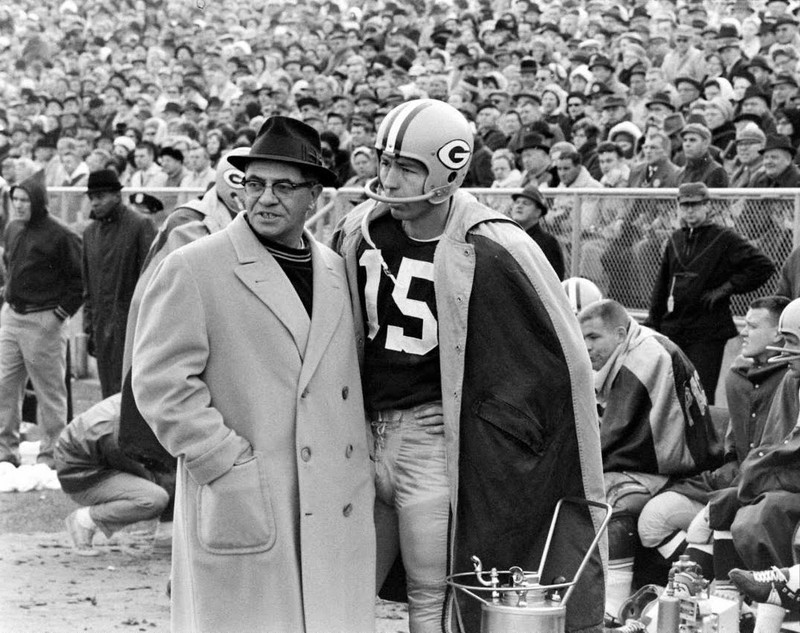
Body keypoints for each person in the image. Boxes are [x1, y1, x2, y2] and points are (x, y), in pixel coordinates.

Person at [332, 98, 606, 633]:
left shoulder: (495, 245)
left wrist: (484, 428)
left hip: (431, 444)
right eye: (386, 162)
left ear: (448, 170)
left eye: (407, 167)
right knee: (340, 587)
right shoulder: (359, 229)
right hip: (359, 436)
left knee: (433, 598)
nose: (388, 179)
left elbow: (548, 363)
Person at [131, 117, 375, 633]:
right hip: (247, 489)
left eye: (284, 186)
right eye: (254, 183)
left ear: (315, 196)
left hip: (328, 498)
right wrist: (225, 463)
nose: (265, 198)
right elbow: (160, 383)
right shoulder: (195, 265)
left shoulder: (335, 268)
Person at [578, 299, 718, 620]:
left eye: (594, 337)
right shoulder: (636, 345)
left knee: (610, 497)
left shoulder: (642, 357)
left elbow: (612, 439)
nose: (586, 346)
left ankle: (613, 607)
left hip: (687, 470)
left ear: (619, 331)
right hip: (665, 462)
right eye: (582, 337)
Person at [637, 296, 791, 577]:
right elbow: (732, 445)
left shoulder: (790, 380)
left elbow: (779, 454)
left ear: (780, 333)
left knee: (722, 524)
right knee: (652, 519)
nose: (744, 332)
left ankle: (707, 594)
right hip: (730, 480)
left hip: (766, 487)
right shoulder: (737, 376)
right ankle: (693, 587)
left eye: (754, 326)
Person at [647, 182, 775, 403]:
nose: (690, 210)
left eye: (695, 205)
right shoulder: (675, 238)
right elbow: (662, 283)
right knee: (670, 392)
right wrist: (653, 321)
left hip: (707, 328)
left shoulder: (724, 238)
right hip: (675, 325)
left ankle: (705, 438)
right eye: (685, 205)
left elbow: (762, 266)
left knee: (701, 393)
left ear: (707, 206)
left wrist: (727, 288)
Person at [0, 172, 83, 469]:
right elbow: (11, 266)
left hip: (44, 319)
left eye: (25, 199)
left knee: (50, 393)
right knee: (4, 386)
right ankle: (5, 450)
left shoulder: (62, 235)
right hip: (12, 316)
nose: (19, 205)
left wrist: (57, 316)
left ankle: (52, 453)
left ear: (39, 201)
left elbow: (80, 283)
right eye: (15, 199)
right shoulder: (12, 228)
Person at [57, 394, 171, 557]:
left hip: (86, 456)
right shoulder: (125, 427)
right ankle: (84, 521)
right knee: (153, 499)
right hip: (79, 472)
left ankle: (168, 529)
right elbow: (157, 473)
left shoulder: (144, 399)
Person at [82, 169, 155, 398]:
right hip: (102, 327)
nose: (95, 202)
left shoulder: (139, 225)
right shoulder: (90, 233)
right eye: (92, 197)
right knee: (109, 396)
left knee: (133, 395)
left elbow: (152, 282)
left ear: (117, 195)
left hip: (133, 327)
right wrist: (89, 327)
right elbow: (88, 287)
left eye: (100, 196)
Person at [510, 183, 565, 279]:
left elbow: (555, 279)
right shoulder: (506, 236)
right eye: (517, 202)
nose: (519, 206)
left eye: (526, 203)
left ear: (538, 212)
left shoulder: (547, 242)